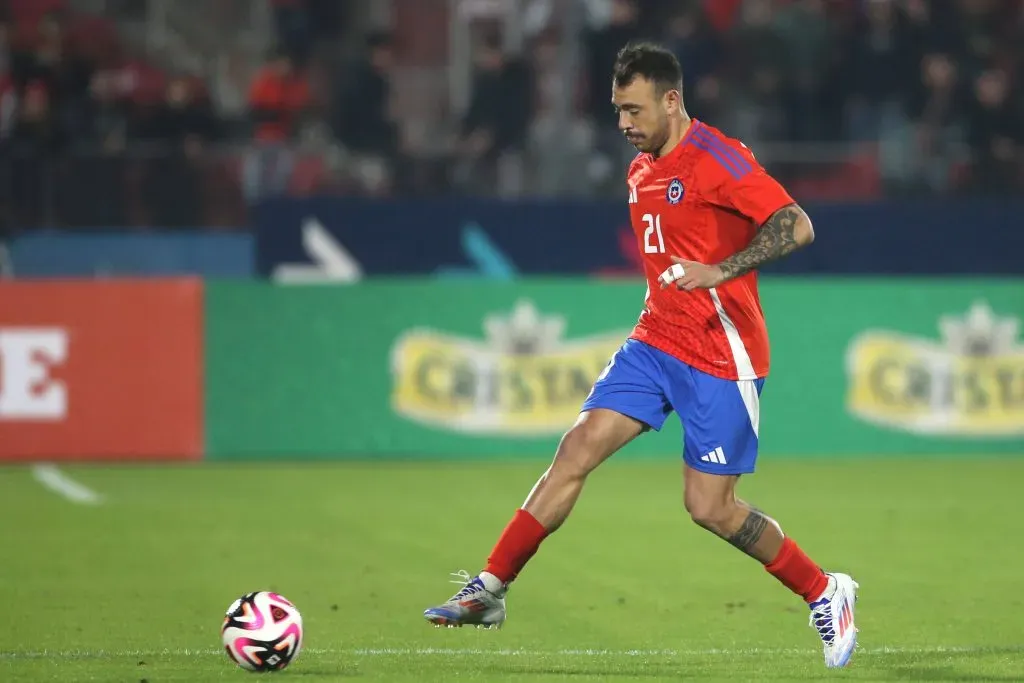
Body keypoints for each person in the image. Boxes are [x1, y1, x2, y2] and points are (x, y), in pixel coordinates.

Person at [422, 42, 859, 669]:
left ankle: (825, 590)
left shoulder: (719, 158)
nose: (623, 124)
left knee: (709, 508)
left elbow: (797, 224)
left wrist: (721, 269)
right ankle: (489, 590)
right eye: (616, 110)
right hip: (655, 341)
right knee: (575, 450)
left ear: (672, 100)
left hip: (722, 354)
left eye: (633, 109)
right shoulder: (641, 168)